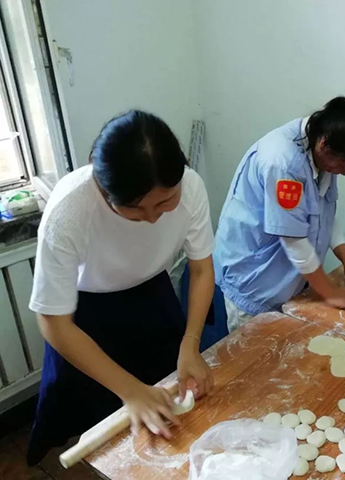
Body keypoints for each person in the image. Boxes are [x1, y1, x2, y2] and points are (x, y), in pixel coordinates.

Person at [27, 110, 216, 464]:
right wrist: (130, 391)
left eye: (165, 202)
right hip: (85, 318)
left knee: (167, 406)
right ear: (102, 187)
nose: (153, 217)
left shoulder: (191, 187)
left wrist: (190, 344)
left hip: (152, 296)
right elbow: (52, 322)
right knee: (101, 428)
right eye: (135, 208)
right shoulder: (69, 211)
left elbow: (202, 269)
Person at [214, 96, 345, 331]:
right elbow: (293, 239)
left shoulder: (327, 145)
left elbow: (323, 212)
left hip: (288, 281)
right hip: (256, 281)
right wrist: (331, 293)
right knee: (256, 350)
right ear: (324, 145)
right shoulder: (283, 163)